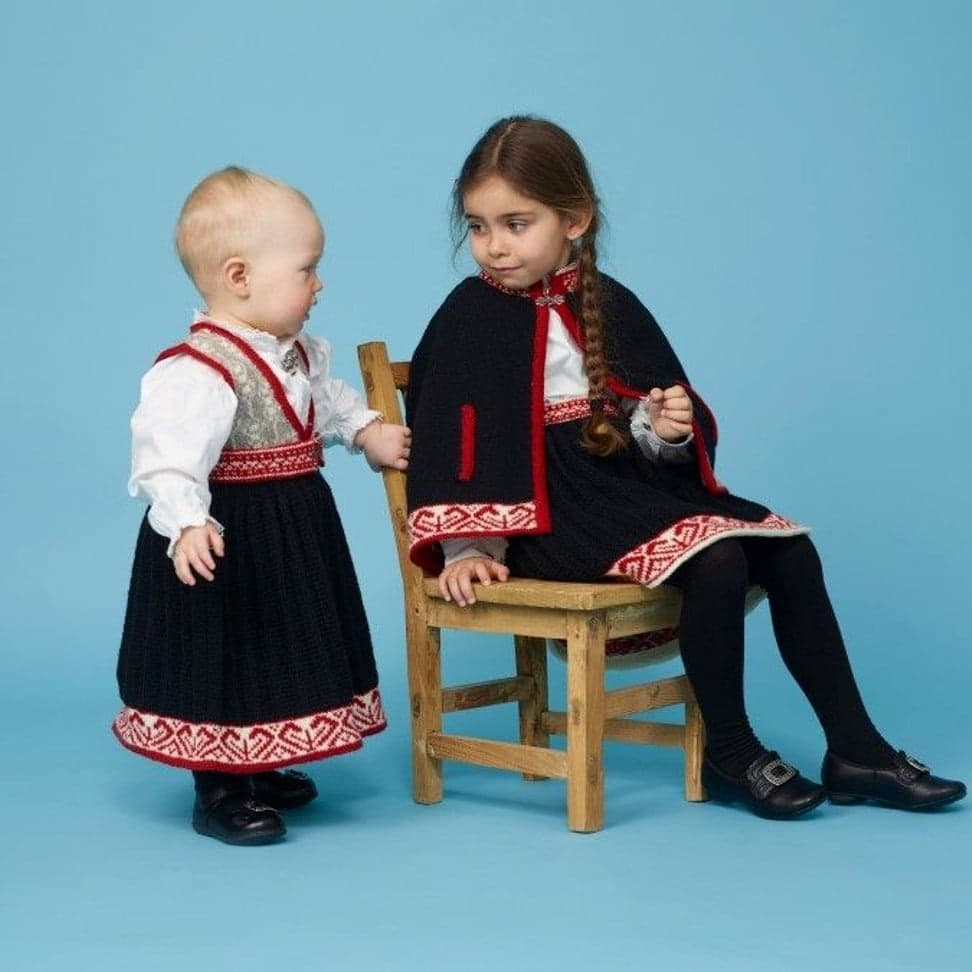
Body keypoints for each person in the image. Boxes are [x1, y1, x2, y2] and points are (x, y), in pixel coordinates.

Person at [405, 116, 965, 820]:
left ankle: (857, 749)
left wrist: (662, 428)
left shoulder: (609, 301)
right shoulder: (469, 315)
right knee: (717, 558)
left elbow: (653, 417)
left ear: (574, 219)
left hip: (619, 494)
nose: (494, 245)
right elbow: (453, 441)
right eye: (479, 226)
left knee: (789, 549)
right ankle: (730, 750)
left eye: (516, 224)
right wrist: (470, 546)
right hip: (545, 517)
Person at [114, 166, 410, 844]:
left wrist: (365, 431)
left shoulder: (294, 352)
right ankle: (219, 787)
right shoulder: (198, 369)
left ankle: (264, 758)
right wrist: (188, 522)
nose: (319, 284)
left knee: (282, 643)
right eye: (307, 269)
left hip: (294, 526)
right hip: (229, 531)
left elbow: (323, 402)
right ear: (240, 276)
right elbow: (166, 456)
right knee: (223, 651)